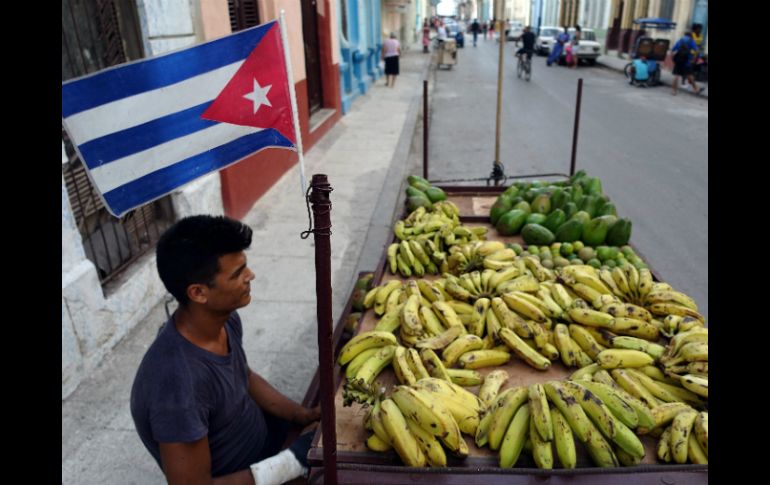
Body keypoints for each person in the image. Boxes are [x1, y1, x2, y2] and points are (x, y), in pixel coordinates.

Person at [130, 215, 321, 484]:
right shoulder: (178, 384)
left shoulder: (224, 319)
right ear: (198, 293)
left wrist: (302, 414)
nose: (250, 275)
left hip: (267, 444)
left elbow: (244, 376)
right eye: (237, 273)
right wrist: (291, 462)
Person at [671, 31, 702, 95]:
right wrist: (694, 59)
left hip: (679, 61)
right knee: (690, 75)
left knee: (677, 75)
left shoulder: (680, 40)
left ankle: (674, 91)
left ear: (684, 34)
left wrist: (673, 60)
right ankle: (696, 89)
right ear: (691, 35)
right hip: (687, 61)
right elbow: (697, 51)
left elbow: (673, 50)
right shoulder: (691, 41)